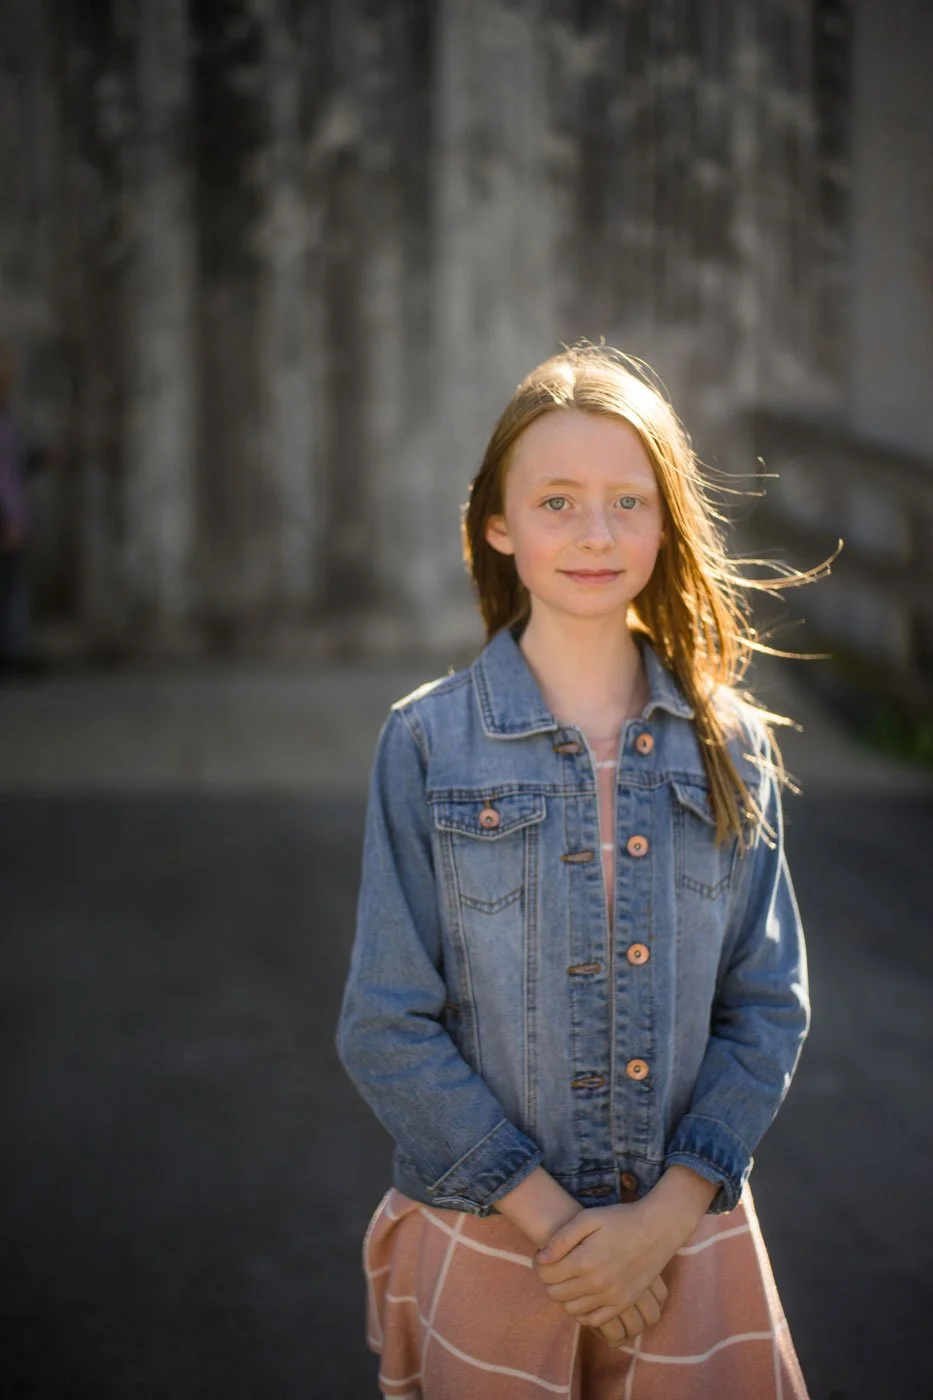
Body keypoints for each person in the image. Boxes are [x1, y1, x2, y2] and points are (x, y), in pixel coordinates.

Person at [335, 344, 830, 1398]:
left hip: (685, 1245)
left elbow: (767, 1006)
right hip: (496, 1236)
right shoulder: (425, 744)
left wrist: (656, 1222)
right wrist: (568, 1233)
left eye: (627, 501)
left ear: (665, 521)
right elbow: (386, 1021)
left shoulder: (730, 744)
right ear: (498, 524)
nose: (596, 533)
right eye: (556, 501)